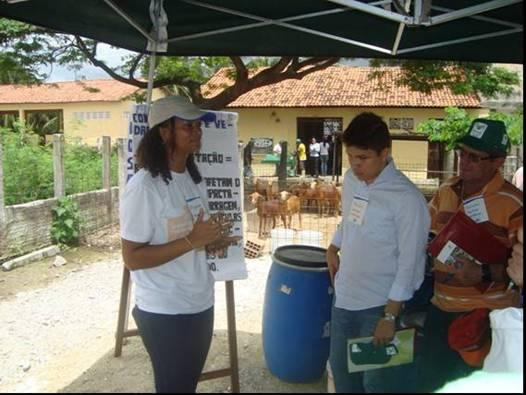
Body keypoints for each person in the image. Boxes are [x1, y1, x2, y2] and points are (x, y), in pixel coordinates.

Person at [119, 95, 239, 393]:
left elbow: (191, 238)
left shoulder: (192, 178)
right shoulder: (145, 186)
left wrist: (212, 241)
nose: (197, 132)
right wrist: (191, 241)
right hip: (165, 311)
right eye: (188, 126)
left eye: (198, 126)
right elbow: (132, 258)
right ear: (164, 131)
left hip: (199, 302)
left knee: (186, 386)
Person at [327, 112, 430, 393]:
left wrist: (389, 317)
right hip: (344, 299)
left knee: (377, 384)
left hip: (379, 305)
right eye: (350, 157)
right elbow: (349, 218)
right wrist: (334, 246)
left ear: (385, 153)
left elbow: (411, 262)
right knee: (343, 376)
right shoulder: (352, 180)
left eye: (363, 158)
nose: (355, 165)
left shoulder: (407, 198)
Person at [418, 119, 523, 392]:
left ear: (498, 161)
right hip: (439, 311)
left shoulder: (514, 205)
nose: (464, 161)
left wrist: (483, 273)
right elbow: (426, 236)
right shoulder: (445, 192)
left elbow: (520, 272)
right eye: (462, 153)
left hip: (483, 322)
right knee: (429, 385)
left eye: (474, 157)